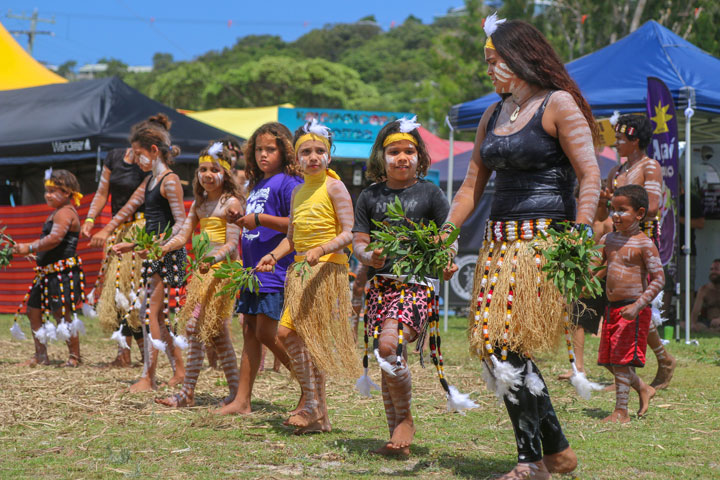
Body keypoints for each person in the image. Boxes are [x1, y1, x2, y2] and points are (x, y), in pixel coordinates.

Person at [443, 15, 601, 479]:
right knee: (492, 346)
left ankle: (531, 462)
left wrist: (581, 232)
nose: (490, 71)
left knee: (507, 344)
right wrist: (445, 235)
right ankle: (557, 451)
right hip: (497, 244)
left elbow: (590, 174)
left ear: (521, 57)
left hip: (543, 243)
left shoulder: (559, 104)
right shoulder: (494, 114)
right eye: (487, 63)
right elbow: (471, 186)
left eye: (495, 62)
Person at [352, 117, 463, 457]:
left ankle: (407, 420)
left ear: (420, 156)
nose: (402, 157)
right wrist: (369, 256)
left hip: (416, 285)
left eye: (409, 151)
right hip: (381, 287)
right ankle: (395, 438)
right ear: (380, 157)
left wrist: (447, 259)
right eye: (394, 151)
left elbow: (449, 235)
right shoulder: (370, 196)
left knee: (389, 346)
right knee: (386, 359)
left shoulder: (431, 193)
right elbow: (359, 242)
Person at [256, 120, 359, 434]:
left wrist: (321, 249)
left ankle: (313, 406)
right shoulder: (299, 191)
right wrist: (274, 255)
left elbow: (349, 232)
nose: (313, 157)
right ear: (296, 158)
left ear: (329, 155)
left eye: (319, 151)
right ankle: (320, 416)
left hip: (326, 272)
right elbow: (293, 237)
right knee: (292, 337)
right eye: (306, 152)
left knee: (293, 337)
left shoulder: (334, 186)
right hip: (300, 272)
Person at [217, 122, 303, 415]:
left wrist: (260, 219)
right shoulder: (257, 184)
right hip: (251, 271)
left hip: (274, 271)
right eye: (259, 149)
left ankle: (310, 385)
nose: (264, 154)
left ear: (285, 151)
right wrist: (239, 218)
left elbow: (297, 225)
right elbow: (254, 220)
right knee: (251, 332)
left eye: (271, 149)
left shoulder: (289, 182)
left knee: (270, 333)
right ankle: (242, 401)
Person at [156, 142, 243, 407]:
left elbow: (231, 245)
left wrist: (212, 258)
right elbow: (183, 234)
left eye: (213, 169)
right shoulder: (201, 204)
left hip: (222, 273)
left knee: (194, 328)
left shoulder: (231, 202)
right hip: (204, 272)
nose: (206, 174)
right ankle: (237, 393)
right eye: (202, 169)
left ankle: (187, 394)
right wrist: (163, 248)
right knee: (217, 335)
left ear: (225, 173)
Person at [110, 114, 187, 392]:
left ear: (154, 151)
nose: (135, 159)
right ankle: (179, 371)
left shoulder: (169, 181)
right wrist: (134, 245)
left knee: (149, 315)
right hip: (154, 253)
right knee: (156, 316)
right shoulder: (152, 181)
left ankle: (149, 377)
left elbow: (181, 223)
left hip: (166, 256)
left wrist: (158, 246)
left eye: (139, 153)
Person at [601, 114, 676, 391]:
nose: (616, 143)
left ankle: (662, 359)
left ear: (635, 140)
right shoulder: (616, 172)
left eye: (621, 138)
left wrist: (619, 205)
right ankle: (630, 370)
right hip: (616, 242)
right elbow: (607, 206)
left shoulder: (650, 167)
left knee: (638, 303)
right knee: (622, 303)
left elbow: (653, 206)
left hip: (641, 239)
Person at [596, 185, 664, 423]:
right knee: (607, 361)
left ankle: (621, 411)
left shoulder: (644, 244)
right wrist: (585, 279)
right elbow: (597, 267)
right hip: (613, 308)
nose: (615, 215)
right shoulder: (608, 239)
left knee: (620, 361)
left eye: (622, 210)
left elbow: (659, 279)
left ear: (639, 213)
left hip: (633, 309)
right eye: (612, 209)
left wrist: (638, 306)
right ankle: (643, 388)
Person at [83, 140, 153, 367]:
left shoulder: (150, 165)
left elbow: (132, 205)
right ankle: (123, 354)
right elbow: (102, 192)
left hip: (139, 232)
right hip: (118, 232)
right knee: (117, 293)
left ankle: (146, 358)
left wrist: (106, 229)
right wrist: (91, 219)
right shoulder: (113, 156)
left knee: (133, 293)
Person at [13, 169, 86, 367]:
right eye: (47, 190)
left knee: (61, 314)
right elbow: (50, 243)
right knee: (33, 311)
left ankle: (74, 357)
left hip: (61, 273)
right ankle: (40, 355)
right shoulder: (57, 212)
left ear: (68, 193)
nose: (48, 195)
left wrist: (29, 246)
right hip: (47, 273)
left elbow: (54, 239)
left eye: (54, 191)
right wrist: (34, 253)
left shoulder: (65, 213)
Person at [558, 184, 613, 380]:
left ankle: (622, 371)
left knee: (612, 324)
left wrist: (596, 278)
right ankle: (578, 367)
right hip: (585, 281)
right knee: (577, 321)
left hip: (605, 280)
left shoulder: (609, 223)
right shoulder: (582, 224)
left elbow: (611, 258)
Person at [691, 258, 720, 333]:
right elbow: (695, 313)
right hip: (707, 323)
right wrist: (693, 324)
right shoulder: (704, 290)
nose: (713, 272)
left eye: (716, 269)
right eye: (711, 269)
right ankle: (713, 331)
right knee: (683, 324)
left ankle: (711, 331)